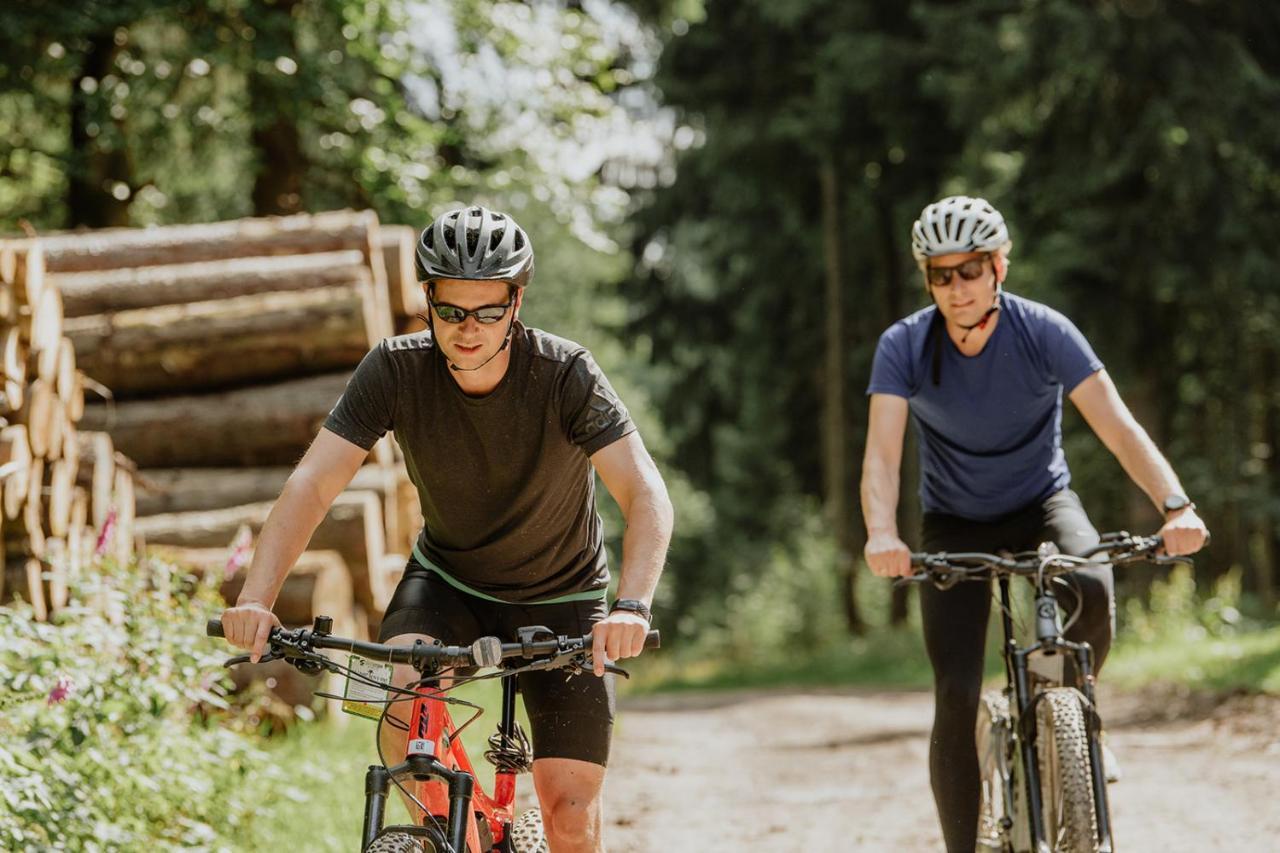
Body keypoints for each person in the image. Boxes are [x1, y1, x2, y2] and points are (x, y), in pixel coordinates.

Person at [219, 204, 674, 852]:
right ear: (427, 298)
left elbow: (644, 492)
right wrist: (257, 596)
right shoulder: (395, 370)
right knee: (407, 701)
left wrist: (631, 604)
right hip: (449, 584)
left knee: (570, 813)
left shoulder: (565, 374)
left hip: (565, 598)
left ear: (516, 302)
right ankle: (439, 833)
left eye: (488, 310)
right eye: (452, 310)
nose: (468, 328)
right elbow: (314, 483)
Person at [859, 195, 1209, 851]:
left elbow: (1118, 427)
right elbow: (881, 457)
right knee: (956, 691)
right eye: (941, 273)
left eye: (970, 270)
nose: (956, 287)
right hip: (954, 521)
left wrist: (1175, 503)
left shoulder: (1045, 330)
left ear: (999, 266)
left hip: (1042, 502)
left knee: (1096, 588)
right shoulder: (904, 345)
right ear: (927, 278)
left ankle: (1074, 711)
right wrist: (883, 531)